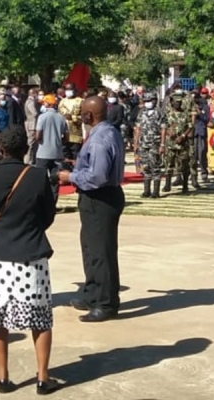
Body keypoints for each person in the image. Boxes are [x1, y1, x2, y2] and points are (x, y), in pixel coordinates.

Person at [0, 126, 60, 395]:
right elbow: (48, 215)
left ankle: (3, 376)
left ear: (0, 147)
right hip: (31, 255)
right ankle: (43, 377)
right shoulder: (37, 176)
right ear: (26, 148)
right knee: (40, 318)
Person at [58, 96, 125, 323]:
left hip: (100, 198)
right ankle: (93, 293)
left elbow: (97, 176)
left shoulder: (99, 140)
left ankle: (106, 303)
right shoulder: (108, 131)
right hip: (99, 197)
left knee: (101, 253)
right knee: (90, 247)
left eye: (81, 112)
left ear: (88, 115)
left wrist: (70, 176)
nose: (79, 116)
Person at [35, 94, 68, 204]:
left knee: (40, 179)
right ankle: (52, 203)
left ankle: (41, 203)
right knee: (55, 180)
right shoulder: (61, 118)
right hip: (57, 153)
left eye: (44, 103)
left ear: (48, 104)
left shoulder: (42, 117)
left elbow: (38, 136)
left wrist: (40, 142)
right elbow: (66, 137)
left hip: (43, 153)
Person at [134, 92, 166, 198]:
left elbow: (163, 129)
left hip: (155, 143)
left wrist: (162, 144)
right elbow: (138, 128)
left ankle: (155, 192)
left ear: (155, 100)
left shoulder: (159, 113)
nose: (148, 103)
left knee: (155, 167)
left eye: (150, 100)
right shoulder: (141, 112)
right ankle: (146, 191)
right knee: (146, 167)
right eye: (146, 101)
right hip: (143, 143)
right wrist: (136, 143)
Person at [163, 93, 193, 194]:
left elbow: (190, 126)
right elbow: (162, 127)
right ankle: (167, 185)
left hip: (183, 144)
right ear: (171, 102)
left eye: (179, 102)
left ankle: (185, 186)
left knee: (184, 165)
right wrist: (168, 132)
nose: (178, 104)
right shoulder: (167, 114)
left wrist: (183, 136)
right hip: (170, 143)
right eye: (176, 102)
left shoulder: (185, 114)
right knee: (169, 164)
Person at [58, 83, 83, 161]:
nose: (68, 91)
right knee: (65, 155)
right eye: (67, 90)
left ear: (75, 90)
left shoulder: (80, 101)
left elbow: (84, 117)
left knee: (76, 154)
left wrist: (72, 117)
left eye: (70, 89)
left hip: (76, 134)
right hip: (64, 134)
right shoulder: (62, 102)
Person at [24, 88, 40, 165]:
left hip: (32, 124)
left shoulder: (30, 101)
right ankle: (28, 160)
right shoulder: (30, 102)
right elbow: (34, 113)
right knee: (31, 143)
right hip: (32, 125)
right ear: (33, 94)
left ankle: (31, 159)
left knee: (33, 143)